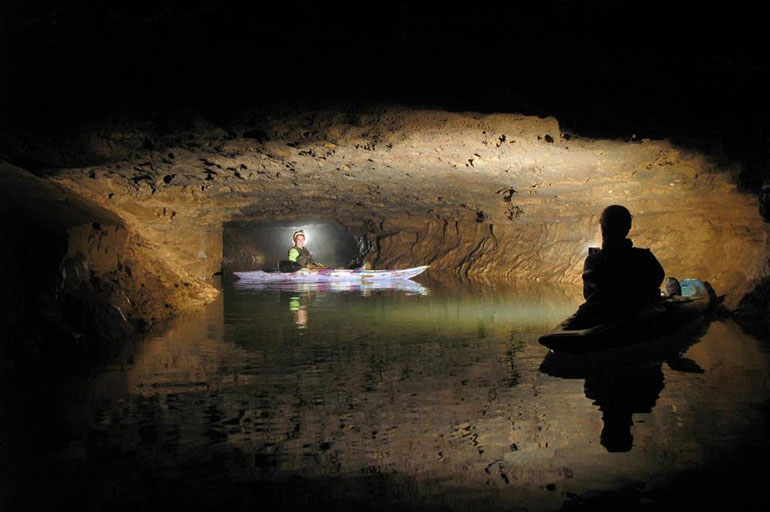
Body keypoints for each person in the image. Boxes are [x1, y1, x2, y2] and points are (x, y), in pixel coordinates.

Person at [567, 205, 665, 329]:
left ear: (603, 228)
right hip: (635, 313)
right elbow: (657, 280)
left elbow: (588, 295)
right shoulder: (644, 257)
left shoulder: (593, 260)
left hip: (602, 314)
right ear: (628, 227)